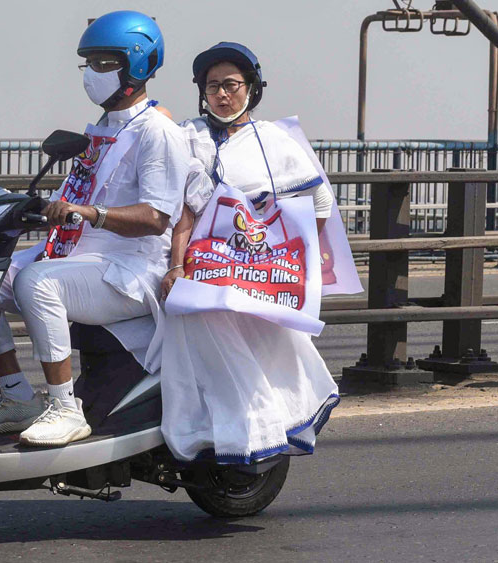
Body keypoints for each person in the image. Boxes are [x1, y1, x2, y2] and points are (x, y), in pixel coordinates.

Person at [0, 11, 189, 447]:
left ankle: (65, 409)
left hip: (131, 269)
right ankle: (17, 394)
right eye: (89, 63)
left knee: (37, 283)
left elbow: (156, 218)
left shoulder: (157, 132)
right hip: (81, 258)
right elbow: (80, 194)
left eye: (105, 64)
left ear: (138, 65)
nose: (93, 74)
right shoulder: (104, 131)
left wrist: (90, 213)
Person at [160, 42, 340, 463]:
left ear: (251, 89)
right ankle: (216, 429)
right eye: (212, 86)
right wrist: (176, 264)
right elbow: (183, 211)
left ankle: (259, 426)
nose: (222, 94)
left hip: (255, 267)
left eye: (231, 85)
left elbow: (319, 203)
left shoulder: (273, 141)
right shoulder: (189, 137)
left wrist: (292, 252)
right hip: (201, 263)